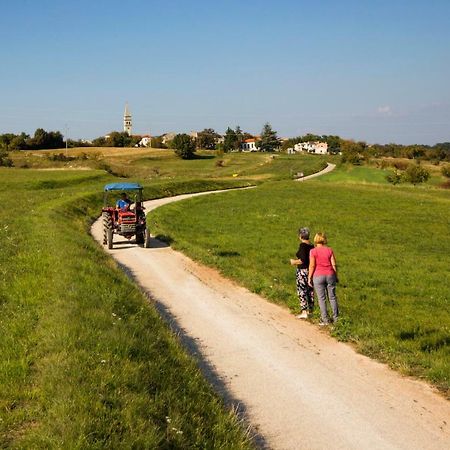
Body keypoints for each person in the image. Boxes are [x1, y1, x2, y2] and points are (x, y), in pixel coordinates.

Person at [308, 232, 339, 325]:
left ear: (316, 240)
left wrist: (309, 277)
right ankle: (336, 318)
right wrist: (335, 275)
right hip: (330, 274)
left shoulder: (313, 251)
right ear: (324, 239)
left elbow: (312, 265)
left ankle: (325, 319)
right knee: (332, 297)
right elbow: (333, 264)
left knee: (322, 298)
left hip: (318, 275)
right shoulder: (329, 250)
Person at [290, 227, 314, 319]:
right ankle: (311, 310)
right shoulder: (311, 246)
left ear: (300, 236)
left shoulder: (303, 246)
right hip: (310, 270)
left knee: (301, 290)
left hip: (302, 271)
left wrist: (294, 262)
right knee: (310, 290)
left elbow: (302, 260)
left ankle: (304, 311)